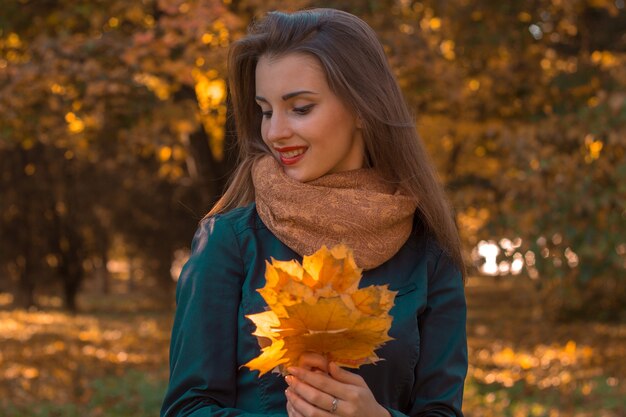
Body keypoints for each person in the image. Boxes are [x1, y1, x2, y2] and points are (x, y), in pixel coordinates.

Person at [161, 8, 467, 417]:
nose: (274, 132)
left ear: (363, 108)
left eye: (300, 108)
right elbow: (186, 408)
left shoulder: (429, 254)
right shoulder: (228, 242)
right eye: (266, 111)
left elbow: (443, 409)